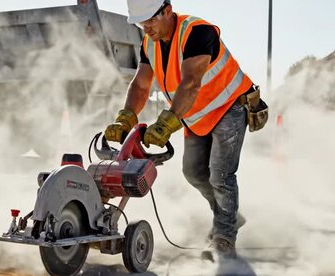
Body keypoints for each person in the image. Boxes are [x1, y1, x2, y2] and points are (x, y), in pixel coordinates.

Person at [104, 0, 258, 258]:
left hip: (229, 107)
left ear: (167, 10)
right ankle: (229, 215)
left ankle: (224, 237)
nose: (146, 27)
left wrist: (167, 123)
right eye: (141, 23)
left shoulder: (197, 32)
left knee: (220, 176)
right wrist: (126, 117)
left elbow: (191, 83)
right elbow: (141, 85)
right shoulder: (149, 44)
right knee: (194, 172)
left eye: (150, 20)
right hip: (196, 115)